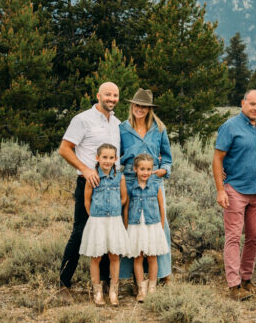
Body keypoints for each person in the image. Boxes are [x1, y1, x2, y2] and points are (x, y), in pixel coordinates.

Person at [57, 82, 122, 301]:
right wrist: (85, 169)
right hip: (89, 184)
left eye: (115, 95)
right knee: (80, 232)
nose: (111, 98)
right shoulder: (82, 119)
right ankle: (63, 284)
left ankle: (103, 284)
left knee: (107, 235)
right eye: (107, 94)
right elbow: (64, 148)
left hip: (111, 186)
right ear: (98, 96)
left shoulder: (117, 123)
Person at [213, 90, 256, 301]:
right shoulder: (229, 127)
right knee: (234, 237)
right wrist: (221, 189)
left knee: (254, 236)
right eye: (252, 104)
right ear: (243, 103)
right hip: (235, 189)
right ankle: (233, 284)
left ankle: (246, 278)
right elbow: (218, 158)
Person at [118, 89, 173, 288]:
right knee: (131, 224)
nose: (139, 109)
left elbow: (167, 157)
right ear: (131, 106)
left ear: (149, 109)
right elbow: (117, 155)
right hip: (130, 180)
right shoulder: (122, 128)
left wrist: (163, 171)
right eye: (136, 105)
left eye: (143, 106)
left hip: (154, 180)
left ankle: (163, 273)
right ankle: (132, 276)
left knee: (160, 223)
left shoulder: (158, 128)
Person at [78, 143, 128, 306]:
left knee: (114, 255)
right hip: (97, 221)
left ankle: (114, 290)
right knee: (96, 256)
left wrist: (113, 210)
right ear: (97, 158)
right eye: (104, 157)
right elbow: (87, 200)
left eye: (111, 158)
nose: (107, 161)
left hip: (113, 220)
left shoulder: (119, 176)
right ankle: (97, 290)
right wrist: (94, 215)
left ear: (115, 159)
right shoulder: (92, 177)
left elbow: (123, 198)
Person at [124, 153, 168, 302]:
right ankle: (141, 288)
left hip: (152, 225)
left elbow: (162, 207)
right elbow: (127, 207)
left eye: (148, 169)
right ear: (135, 169)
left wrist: (161, 225)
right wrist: (125, 226)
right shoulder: (131, 187)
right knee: (138, 256)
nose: (145, 172)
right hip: (136, 225)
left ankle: (152, 287)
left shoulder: (156, 185)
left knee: (152, 256)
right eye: (142, 169)